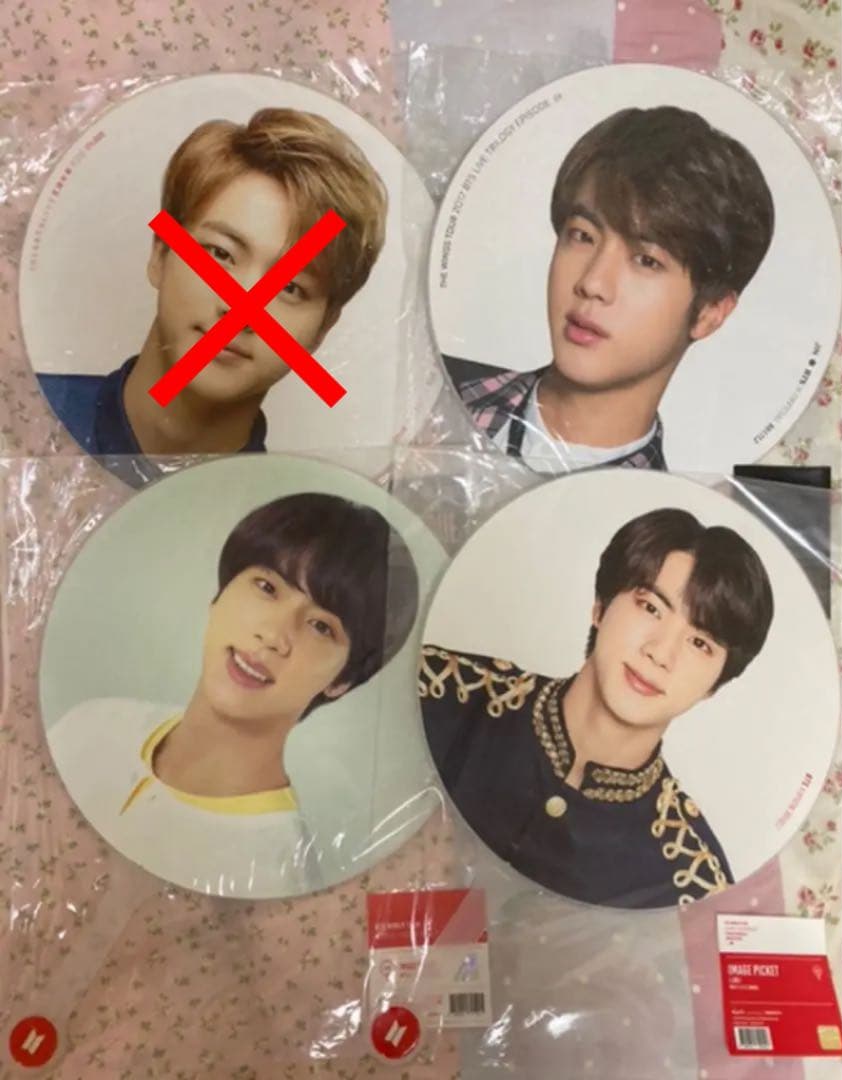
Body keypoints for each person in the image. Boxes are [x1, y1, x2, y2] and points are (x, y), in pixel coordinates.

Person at [47, 493, 419, 897]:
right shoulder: (93, 724)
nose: (273, 635)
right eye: (267, 587)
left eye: (321, 627)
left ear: (341, 681)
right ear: (219, 597)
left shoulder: (270, 873)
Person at [419, 507, 774, 908]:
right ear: (600, 607)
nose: (660, 653)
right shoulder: (438, 689)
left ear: (715, 685)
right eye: (651, 608)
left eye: (699, 643)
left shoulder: (693, 885)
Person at [37, 108, 388, 465]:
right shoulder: (22, 414)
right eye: (220, 254)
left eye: (290, 287)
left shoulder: (299, 502)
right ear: (161, 253)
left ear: (323, 327)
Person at [445, 106, 775, 475]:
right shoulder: (430, 389)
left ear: (710, 313)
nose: (592, 283)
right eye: (583, 236)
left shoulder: (669, 509)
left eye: (647, 261)